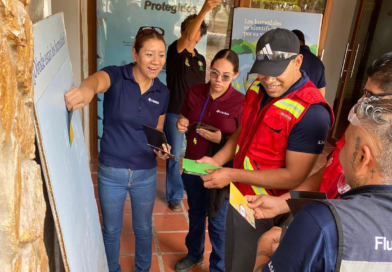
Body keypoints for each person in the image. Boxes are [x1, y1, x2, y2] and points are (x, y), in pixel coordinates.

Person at [197, 28, 334, 272]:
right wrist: (218, 160)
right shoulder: (256, 88)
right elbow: (243, 132)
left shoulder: (312, 112)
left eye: (277, 71)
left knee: (251, 265)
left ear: (298, 61)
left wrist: (231, 174)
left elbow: (294, 176)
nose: (269, 80)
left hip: (268, 209)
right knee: (231, 260)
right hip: (239, 196)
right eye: (264, 71)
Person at [64, 26, 170, 272]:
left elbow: (158, 129)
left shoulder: (162, 91)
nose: (156, 61)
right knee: (111, 230)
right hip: (112, 172)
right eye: (149, 54)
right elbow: (95, 81)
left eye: (161, 54)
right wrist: (86, 90)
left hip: (146, 173)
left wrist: (161, 149)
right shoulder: (116, 76)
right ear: (135, 54)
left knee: (143, 229)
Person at [247, 51, 392, 220]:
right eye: (364, 92)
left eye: (371, 96)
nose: (361, 101)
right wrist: (282, 203)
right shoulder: (359, 128)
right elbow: (329, 171)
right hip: (319, 216)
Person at [255, 97, 392, 272]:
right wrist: (281, 203)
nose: (339, 152)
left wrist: (265, 248)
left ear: (362, 158)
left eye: (345, 144)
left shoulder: (322, 223)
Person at [175, 49, 244, 272]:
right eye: (214, 73)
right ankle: (194, 254)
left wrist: (220, 138)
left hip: (220, 173)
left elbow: (241, 140)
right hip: (193, 165)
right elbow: (184, 116)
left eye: (225, 76)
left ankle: (218, 267)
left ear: (236, 75)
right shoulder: (195, 92)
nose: (218, 80)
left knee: (217, 223)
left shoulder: (240, 102)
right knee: (195, 214)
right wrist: (181, 123)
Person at [164, 0, 220, 212]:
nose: (195, 32)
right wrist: (204, 10)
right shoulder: (176, 51)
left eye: (198, 29)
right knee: (174, 155)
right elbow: (187, 37)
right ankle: (175, 195)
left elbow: (203, 89)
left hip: (196, 115)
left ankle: (189, 185)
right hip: (175, 113)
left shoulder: (201, 59)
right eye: (192, 27)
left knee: (194, 154)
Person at [292, 29, 326, 97]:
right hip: (311, 104)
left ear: (300, 42)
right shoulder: (318, 62)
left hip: (292, 104)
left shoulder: (292, 59)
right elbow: (321, 93)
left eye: (291, 42)